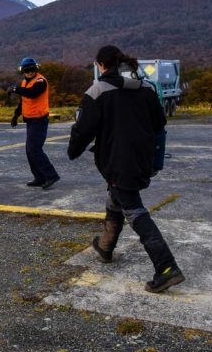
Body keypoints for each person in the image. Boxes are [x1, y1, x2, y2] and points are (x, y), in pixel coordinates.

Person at [67, 45, 184, 293]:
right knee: (115, 196)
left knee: (133, 209)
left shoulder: (97, 91)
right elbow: (159, 123)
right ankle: (105, 247)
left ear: (100, 65)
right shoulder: (146, 89)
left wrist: (73, 151)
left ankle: (166, 267)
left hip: (117, 161)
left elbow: (83, 130)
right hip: (142, 158)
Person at [9, 57, 60, 189]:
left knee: (34, 149)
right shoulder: (23, 83)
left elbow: (32, 94)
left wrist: (16, 90)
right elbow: (23, 101)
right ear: (22, 71)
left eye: (32, 69)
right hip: (30, 120)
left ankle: (51, 175)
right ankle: (39, 177)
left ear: (36, 69)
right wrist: (16, 115)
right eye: (27, 70)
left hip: (39, 120)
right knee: (29, 150)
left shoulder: (40, 81)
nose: (30, 72)